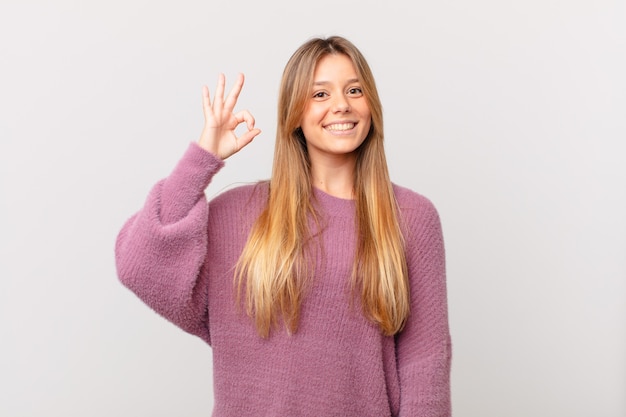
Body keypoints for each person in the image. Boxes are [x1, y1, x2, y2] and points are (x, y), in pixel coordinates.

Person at [115, 35, 451, 417]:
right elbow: (138, 265)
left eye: (354, 90)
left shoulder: (411, 216)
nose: (341, 105)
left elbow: (425, 366)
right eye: (320, 94)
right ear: (294, 113)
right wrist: (203, 157)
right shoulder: (237, 215)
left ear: (371, 104)